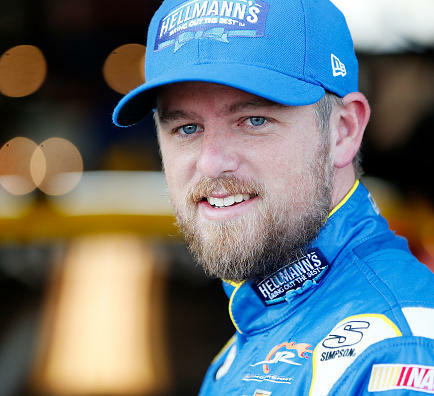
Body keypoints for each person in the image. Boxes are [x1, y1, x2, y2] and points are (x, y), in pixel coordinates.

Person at [112, 0, 434, 394]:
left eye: (254, 120)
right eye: (186, 128)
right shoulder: (252, 335)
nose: (212, 163)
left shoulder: (398, 353)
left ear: (344, 130)